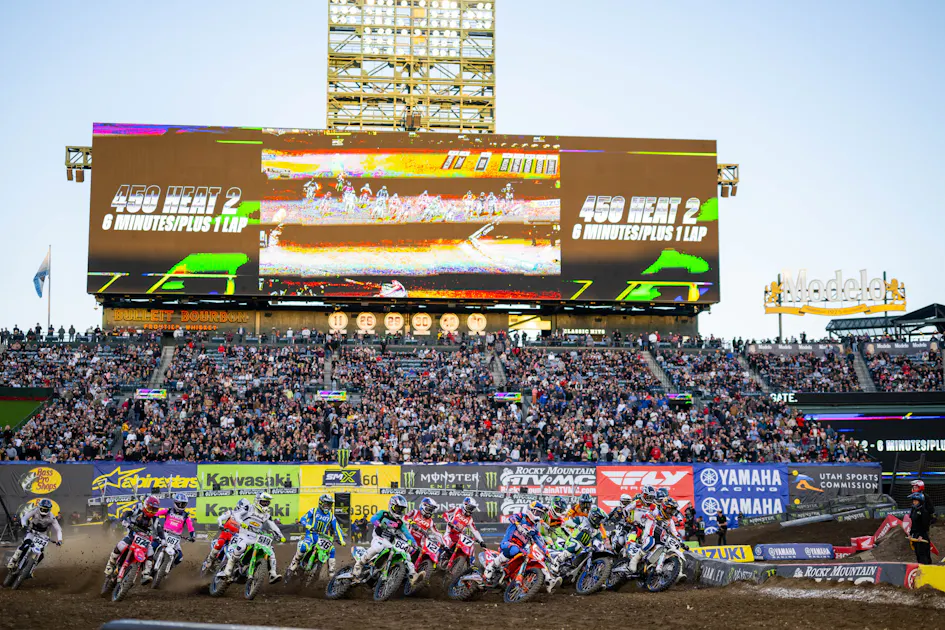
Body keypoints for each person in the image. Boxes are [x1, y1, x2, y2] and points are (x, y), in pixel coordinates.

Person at [484, 501, 561, 593]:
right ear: (531, 510)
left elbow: (541, 543)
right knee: (514, 549)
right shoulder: (522, 517)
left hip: (520, 549)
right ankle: (491, 567)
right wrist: (518, 525)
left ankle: (549, 579)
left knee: (532, 558)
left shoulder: (534, 529)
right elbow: (511, 518)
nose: (538, 515)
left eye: (540, 514)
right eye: (537, 512)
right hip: (507, 543)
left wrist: (548, 555)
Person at [352, 494, 425, 587]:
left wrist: (414, 543)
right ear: (391, 505)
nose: (399, 511)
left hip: (390, 543)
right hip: (378, 537)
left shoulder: (400, 523)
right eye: (397, 508)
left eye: (401, 509)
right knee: (378, 547)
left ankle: (413, 576)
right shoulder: (383, 513)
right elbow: (373, 519)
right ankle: (358, 566)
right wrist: (379, 524)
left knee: (406, 555)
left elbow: (407, 534)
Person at [217, 492, 286, 584]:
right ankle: (227, 571)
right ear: (257, 501)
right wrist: (241, 523)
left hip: (256, 537)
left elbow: (274, 526)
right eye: (263, 502)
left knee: (271, 551)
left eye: (267, 503)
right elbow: (237, 515)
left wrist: (281, 536)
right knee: (241, 547)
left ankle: (272, 574)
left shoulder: (267, 515)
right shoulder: (248, 508)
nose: (265, 504)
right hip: (244, 534)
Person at [287, 494, 346, 579]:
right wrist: (308, 526)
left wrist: (342, 539)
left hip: (322, 537)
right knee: (304, 547)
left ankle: (331, 574)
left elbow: (337, 528)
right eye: (326, 504)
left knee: (332, 550)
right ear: (321, 503)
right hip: (311, 534)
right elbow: (303, 519)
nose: (328, 506)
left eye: (329, 504)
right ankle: (293, 564)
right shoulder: (313, 511)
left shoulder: (331, 516)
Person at [142, 493, 195, 584]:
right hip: (165, 533)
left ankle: (167, 568)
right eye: (179, 503)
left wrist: (192, 535)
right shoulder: (169, 510)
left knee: (180, 557)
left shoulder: (186, 516)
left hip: (176, 537)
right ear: (175, 503)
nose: (181, 506)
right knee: (152, 546)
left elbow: (190, 527)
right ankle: (143, 564)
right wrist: (155, 519)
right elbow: (156, 513)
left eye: (183, 504)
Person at [104, 495, 162, 577]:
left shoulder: (155, 518)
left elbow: (159, 529)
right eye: (150, 508)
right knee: (121, 545)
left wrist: (162, 538)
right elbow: (127, 512)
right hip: (132, 535)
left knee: (150, 554)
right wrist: (124, 520)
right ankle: (110, 564)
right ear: (145, 505)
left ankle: (146, 573)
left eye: (154, 510)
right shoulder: (138, 509)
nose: (151, 511)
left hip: (145, 540)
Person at [6, 498, 62, 576]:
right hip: (32, 530)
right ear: (39, 507)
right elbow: (25, 518)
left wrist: (60, 540)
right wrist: (24, 525)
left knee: (41, 553)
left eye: (46, 510)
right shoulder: (35, 510)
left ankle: (32, 568)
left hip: (42, 533)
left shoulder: (52, 517)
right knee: (26, 543)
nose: (43, 511)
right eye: (42, 509)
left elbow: (58, 529)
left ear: (49, 509)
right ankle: (13, 560)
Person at [202, 498, 249, 572]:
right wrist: (220, 525)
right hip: (226, 534)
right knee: (220, 544)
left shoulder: (246, 519)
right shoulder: (231, 512)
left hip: (236, 538)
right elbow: (220, 518)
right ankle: (209, 560)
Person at [909, 492, 934, 565]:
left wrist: (921, 535)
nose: (914, 502)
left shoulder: (924, 512)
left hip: (922, 536)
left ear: (920, 501)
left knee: (924, 555)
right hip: (915, 535)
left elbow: (925, 525)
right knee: (918, 555)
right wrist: (910, 533)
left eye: (916, 501)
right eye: (913, 501)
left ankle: (927, 569)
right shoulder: (914, 510)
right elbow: (913, 524)